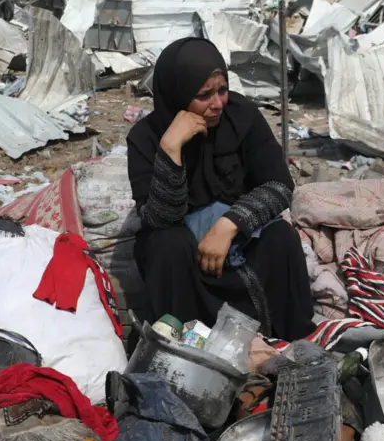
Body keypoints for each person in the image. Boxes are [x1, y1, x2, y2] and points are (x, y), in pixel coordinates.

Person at [126, 37, 315, 341]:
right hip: (187, 258)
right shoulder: (146, 137)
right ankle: (185, 348)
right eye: (204, 95)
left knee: (282, 238)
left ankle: (287, 341)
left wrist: (228, 226)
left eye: (222, 90)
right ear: (176, 95)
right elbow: (159, 219)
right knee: (165, 246)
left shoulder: (242, 117)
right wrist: (171, 150)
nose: (217, 104)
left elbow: (279, 185)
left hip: (240, 239)